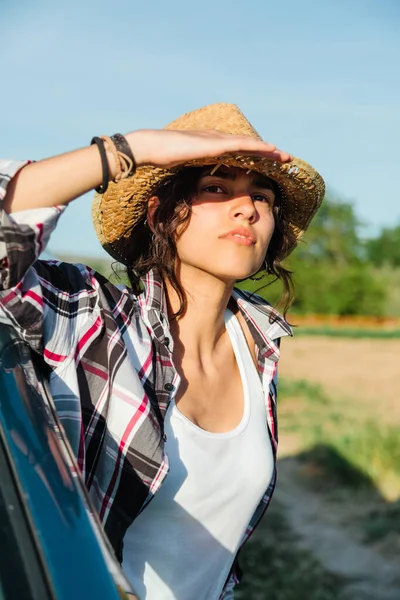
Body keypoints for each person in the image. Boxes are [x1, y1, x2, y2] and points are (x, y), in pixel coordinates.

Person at [0, 103, 325, 599]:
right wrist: (131, 150)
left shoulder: (259, 347)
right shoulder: (92, 321)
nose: (248, 208)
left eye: (261, 196)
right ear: (160, 213)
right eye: (216, 188)